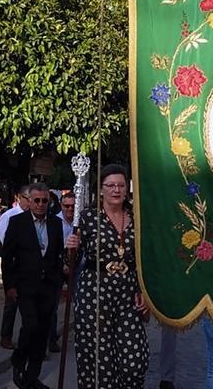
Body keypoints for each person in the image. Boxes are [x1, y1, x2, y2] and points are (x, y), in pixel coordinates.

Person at [66, 164, 149, 388]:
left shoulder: (137, 217)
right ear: (101, 189)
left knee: (135, 362)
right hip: (94, 293)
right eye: (110, 185)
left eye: (121, 185)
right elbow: (69, 264)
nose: (116, 190)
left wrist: (144, 290)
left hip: (128, 294)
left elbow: (146, 259)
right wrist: (71, 248)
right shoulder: (87, 218)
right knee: (99, 363)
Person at [2, 183, 65, 389]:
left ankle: (32, 376)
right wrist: (9, 286)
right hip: (25, 287)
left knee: (43, 332)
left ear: (49, 201)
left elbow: (56, 254)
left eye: (44, 200)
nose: (40, 204)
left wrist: (59, 280)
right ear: (28, 201)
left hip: (48, 287)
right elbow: (7, 256)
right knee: (30, 327)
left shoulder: (55, 224)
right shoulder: (17, 222)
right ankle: (18, 361)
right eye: (36, 200)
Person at [0, 184, 31, 350]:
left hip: (29, 267)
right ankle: (6, 336)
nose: (30, 202)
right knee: (11, 303)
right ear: (19, 197)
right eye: (27, 198)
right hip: (13, 264)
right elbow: (2, 240)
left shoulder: (33, 216)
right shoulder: (9, 216)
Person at [47, 191, 76, 353]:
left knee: (81, 303)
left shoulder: (80, 221)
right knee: (52, 305)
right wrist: (61, 265)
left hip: (77, 266)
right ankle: (51, 339)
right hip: (58, 267)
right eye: (66, 206)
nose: (70, 209)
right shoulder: (54, 221)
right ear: (61, 205)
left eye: (73, 206)